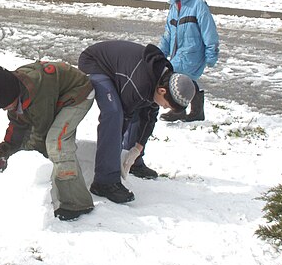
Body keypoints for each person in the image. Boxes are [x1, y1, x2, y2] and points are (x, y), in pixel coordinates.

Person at [78, 41, 195, 204]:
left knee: (143, 108)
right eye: (166, 105)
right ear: (162, 91)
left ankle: (133, 164)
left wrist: (137, 149)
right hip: (95, 63)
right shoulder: (141, 84)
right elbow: (122, 121)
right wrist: (115, 160)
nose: (163, 107)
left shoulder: (163, 80)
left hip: (121, 71)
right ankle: (104, 182)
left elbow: (150, 117)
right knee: (114, 113)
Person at [0, 62, 95, 222]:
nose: (6, 109)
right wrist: (2, 153)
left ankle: (77, 203)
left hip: (78, 93)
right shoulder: (15, 90)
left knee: (56, 142)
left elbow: (40, 136)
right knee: (43, 139)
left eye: (7, 106)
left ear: (14, 95)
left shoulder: (37, 88)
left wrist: (23, 165)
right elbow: (17, 127)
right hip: (54, 97)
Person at [158, 0, 219, 122]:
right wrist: (160, 53)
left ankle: (178, 109)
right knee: (187, 79)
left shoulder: (198, 5)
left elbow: (208, 31)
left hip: (193, 52)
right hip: (177, 52)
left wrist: (211, 54)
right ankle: (197, 112)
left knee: (175, 77)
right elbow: (168, 32)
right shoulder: (174, 6)